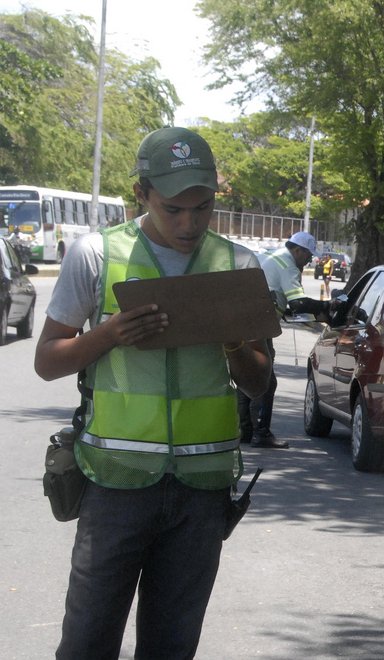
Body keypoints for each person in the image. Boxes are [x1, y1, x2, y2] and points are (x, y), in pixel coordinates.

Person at [33, 126, 272, 659]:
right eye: (173, 209)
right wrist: (107, 335)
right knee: (87, 643)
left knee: (171, 646)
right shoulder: (95, 254)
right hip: (114, 482)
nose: (189, 224)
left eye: (202, 208)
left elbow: (259, 384)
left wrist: (233, 339)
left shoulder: (238, 267)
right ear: (141, 194)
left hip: (201, 491)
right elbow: (47, 361)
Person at [238, 230, 338, 448]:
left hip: (247, 321)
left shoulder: (271, 257)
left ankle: (244, 430)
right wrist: (326, 306)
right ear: (297, 250)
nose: (310, 259)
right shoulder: (288, 264)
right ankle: (261, 433)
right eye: (308, 255)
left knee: (248, 375)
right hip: (259, 324)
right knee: (266, 380)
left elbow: (280, 300)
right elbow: (298, 303)